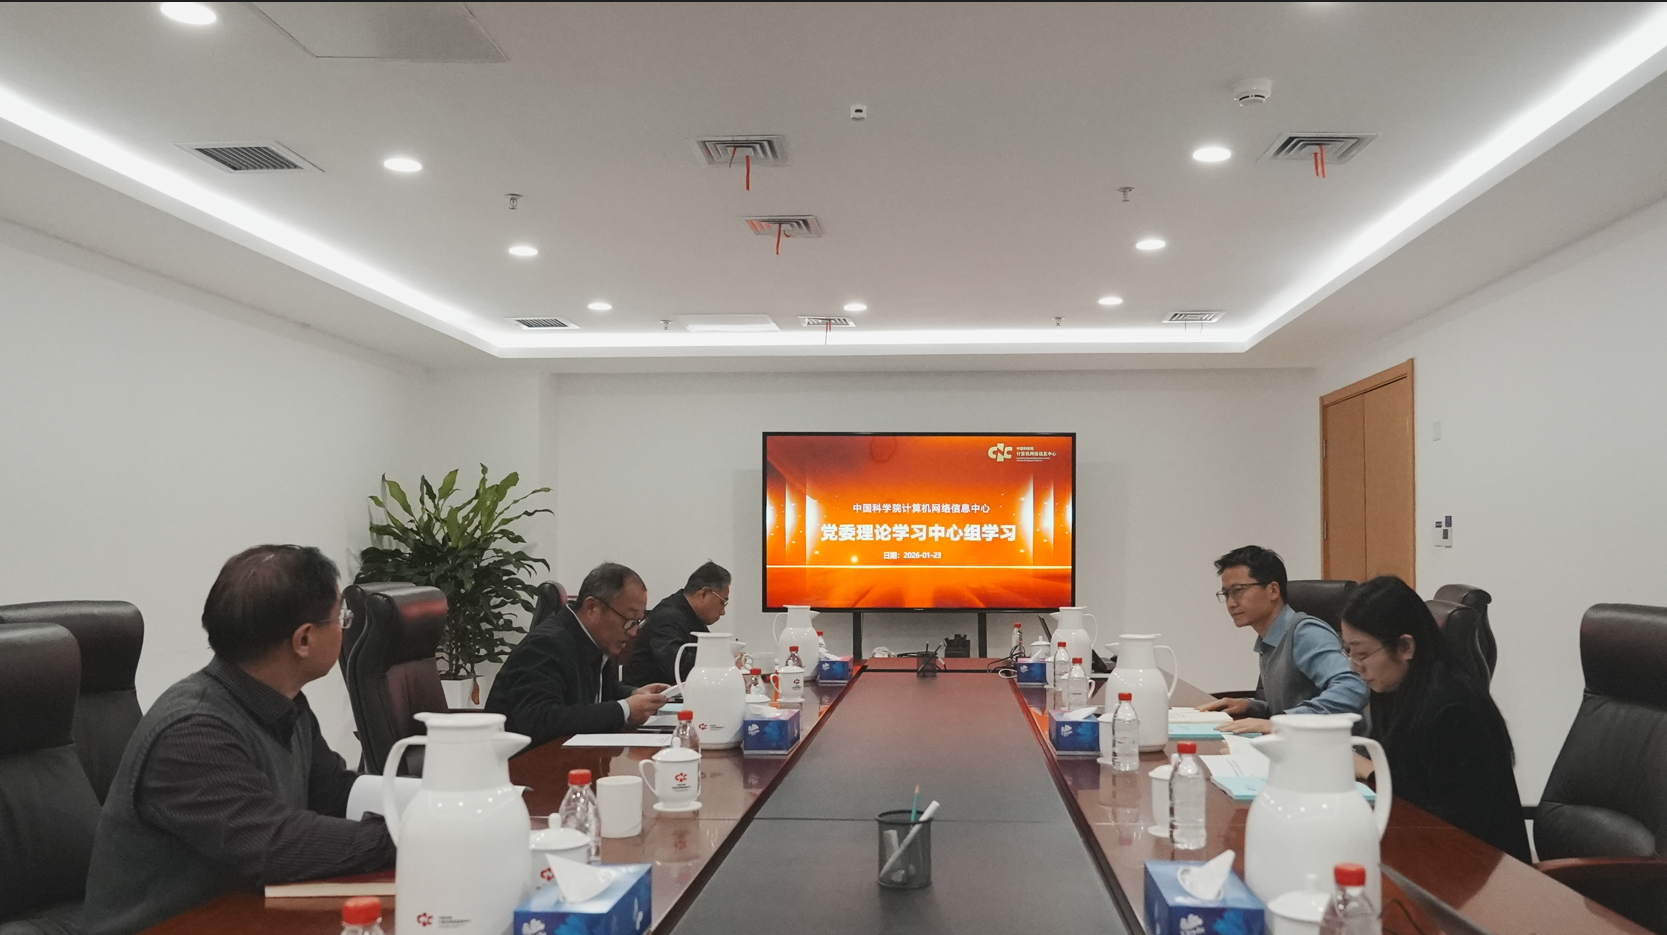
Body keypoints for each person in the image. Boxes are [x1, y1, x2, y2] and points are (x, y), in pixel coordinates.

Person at [78, 546, 396, 935]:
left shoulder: (285, 701)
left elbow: (332, 793)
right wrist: (409, 837)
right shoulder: (193, 732)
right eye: (341, 617)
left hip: (247, 916)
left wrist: (431, 807)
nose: (344, 629)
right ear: (304, 640)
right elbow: (274, 845)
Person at [1339, 576, 1531, 861]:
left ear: (1405, 647)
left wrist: (1370, 769)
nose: (1355, 667)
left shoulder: (1454, 708)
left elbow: (1452, 823)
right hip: (1422, 845)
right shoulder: (1392, 687)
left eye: (1363, 653)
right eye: (1348, 651)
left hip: (1479, 866)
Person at [485, 562, 669, 746]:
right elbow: (540, 718)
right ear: (592, 607)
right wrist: (624, 710)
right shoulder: (545, 644)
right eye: (629, 620)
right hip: (525, 759)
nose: (634, 632)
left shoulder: (594, 640)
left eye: (638, 622)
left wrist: (634, 693)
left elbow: (603, 691)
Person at [1198, 545, 1368, 734]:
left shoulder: (1306, 633)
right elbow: (1287, 707)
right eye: (1226, 594)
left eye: (1238, 590)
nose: (1231, 603)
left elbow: (1353, 687)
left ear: (1273, 590)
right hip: (1298, 741)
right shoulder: (1269, 640)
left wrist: (1285, 723)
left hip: (1335, 746)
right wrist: (1250, 706)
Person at [622, 561, 732, 686]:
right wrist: (724, 658)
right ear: (704, 594)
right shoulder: (667, 616)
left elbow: (707, 652)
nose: (723, 612)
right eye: (722, 602)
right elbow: (678, 667)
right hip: (646, 694)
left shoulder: (692, 615)